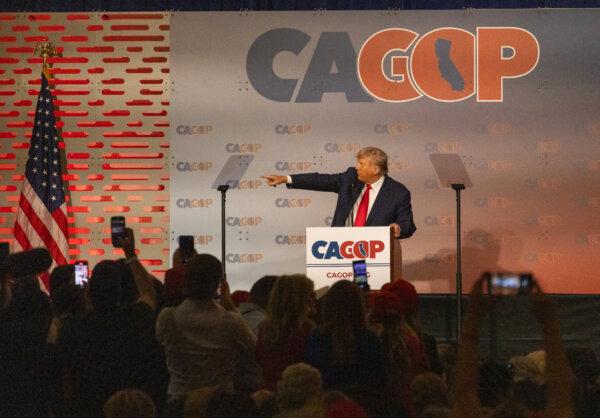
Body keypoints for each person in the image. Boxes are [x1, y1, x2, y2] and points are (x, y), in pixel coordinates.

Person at [55, 228, 168, 417]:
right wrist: (130, 254)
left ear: (88, 294)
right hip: (131, 407)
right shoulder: (137, 318)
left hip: (87, 407)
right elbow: (148, 293)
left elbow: (65, 378)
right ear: (120, 293)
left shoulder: (72, 327)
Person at [156, 253, 260, 407]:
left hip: (179, 403)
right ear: (219, 283)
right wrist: (230, 305)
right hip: (220, 405)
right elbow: (255, 349)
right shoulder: (231, 321)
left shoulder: (168, 317)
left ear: (186, 281)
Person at [262, 146, 416, 239]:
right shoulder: (350, 178)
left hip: (375, 253)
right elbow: (319, 180)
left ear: (375, 169)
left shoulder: (398, 192)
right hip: (339, 249)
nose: (356, 167)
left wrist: (398, 228)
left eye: (361, 164)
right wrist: (286, 178)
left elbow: (407, 224)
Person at [256, 274, 316, 390]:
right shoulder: (307, 329)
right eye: (311, 295)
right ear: (302, 299)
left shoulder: (265, 329)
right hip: (300, 394)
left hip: (271, 393)